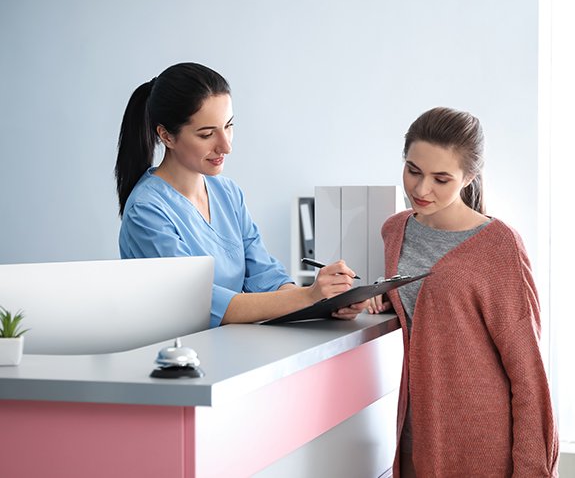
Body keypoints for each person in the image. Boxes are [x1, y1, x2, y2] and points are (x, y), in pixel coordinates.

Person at [369, 107, 559, 477]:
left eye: (441, 179)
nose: (421, 190)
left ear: (469, 177)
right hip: (413, 432)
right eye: (413, 171)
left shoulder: (499, 246)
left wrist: (533, 470)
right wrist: (374, 294)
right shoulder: (394, 231)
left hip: (479, 444)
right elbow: (429, 313)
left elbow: (528, 374)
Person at [115, 62, 366, 327]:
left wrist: (327, 302)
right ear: (166, 136)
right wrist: (309, 295)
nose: (226, 146)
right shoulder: (146, 210)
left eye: (229, 126)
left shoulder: (227, 193)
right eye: (207, 134)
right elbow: (202, 304)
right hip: (178, 359)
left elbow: (265, 277)